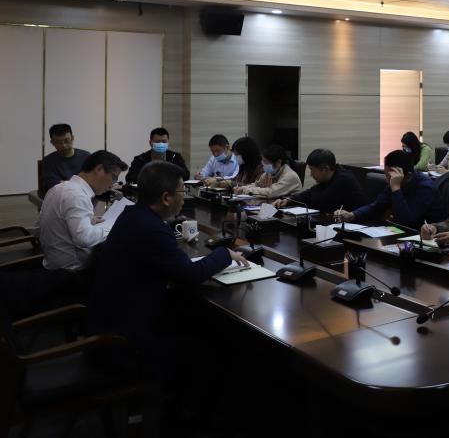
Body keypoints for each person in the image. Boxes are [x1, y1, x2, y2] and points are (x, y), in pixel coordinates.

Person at [87, 161, 247, 374]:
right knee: (215, 344)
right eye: (182, 191)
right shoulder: (153, 229)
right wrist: (224, 253)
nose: (185, 197)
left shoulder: (132, 215)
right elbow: (190, 274)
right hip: (125, 341)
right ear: (166, 198)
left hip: (108, 324)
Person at [38, 151, 128, 271]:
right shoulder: (77, 196)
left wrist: (88, 221)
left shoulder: (58, 188)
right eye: (114, 177)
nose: (112, 185)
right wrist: (112, 225)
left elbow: (40, 226)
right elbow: (84, 239)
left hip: (52, 263)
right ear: (99, 169)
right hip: (71, 272)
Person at [338, 150, 444, 226]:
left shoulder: (426, 188)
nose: (386, 179)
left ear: (407, 175)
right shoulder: (394, 182)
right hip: (401, 233)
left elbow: (407, 220)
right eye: (386, 175)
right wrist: (352, 215)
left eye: (389, 176)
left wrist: (396, 188)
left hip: (426, 238)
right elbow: (377, 206)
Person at [273, 149, 365, 213]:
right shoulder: (331, 175)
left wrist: (295, 200)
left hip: (353, 225)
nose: (311, 174)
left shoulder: (344, 179)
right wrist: (288, 200)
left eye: (312, 170)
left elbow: (319, 200)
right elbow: (311, 193)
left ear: (325, 169)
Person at [39, 123, 91, 198]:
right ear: (52, 142)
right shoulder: (48, 160)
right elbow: (51, 183)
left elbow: (91, 179)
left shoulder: (86, 156)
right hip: (61, 197)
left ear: (72, 138)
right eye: (58, 142)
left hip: (86, 196)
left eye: (66, 141)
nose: (63, 145)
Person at [233, 144, 301, 199]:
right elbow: (257, 184)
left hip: (290, 208)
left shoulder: (290, 176)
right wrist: (241, 188)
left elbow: (271, 192)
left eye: (265, 161)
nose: (263, 164)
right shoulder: (268, 173)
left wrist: (245, 190)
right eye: (262, 161)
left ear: (278, 162)